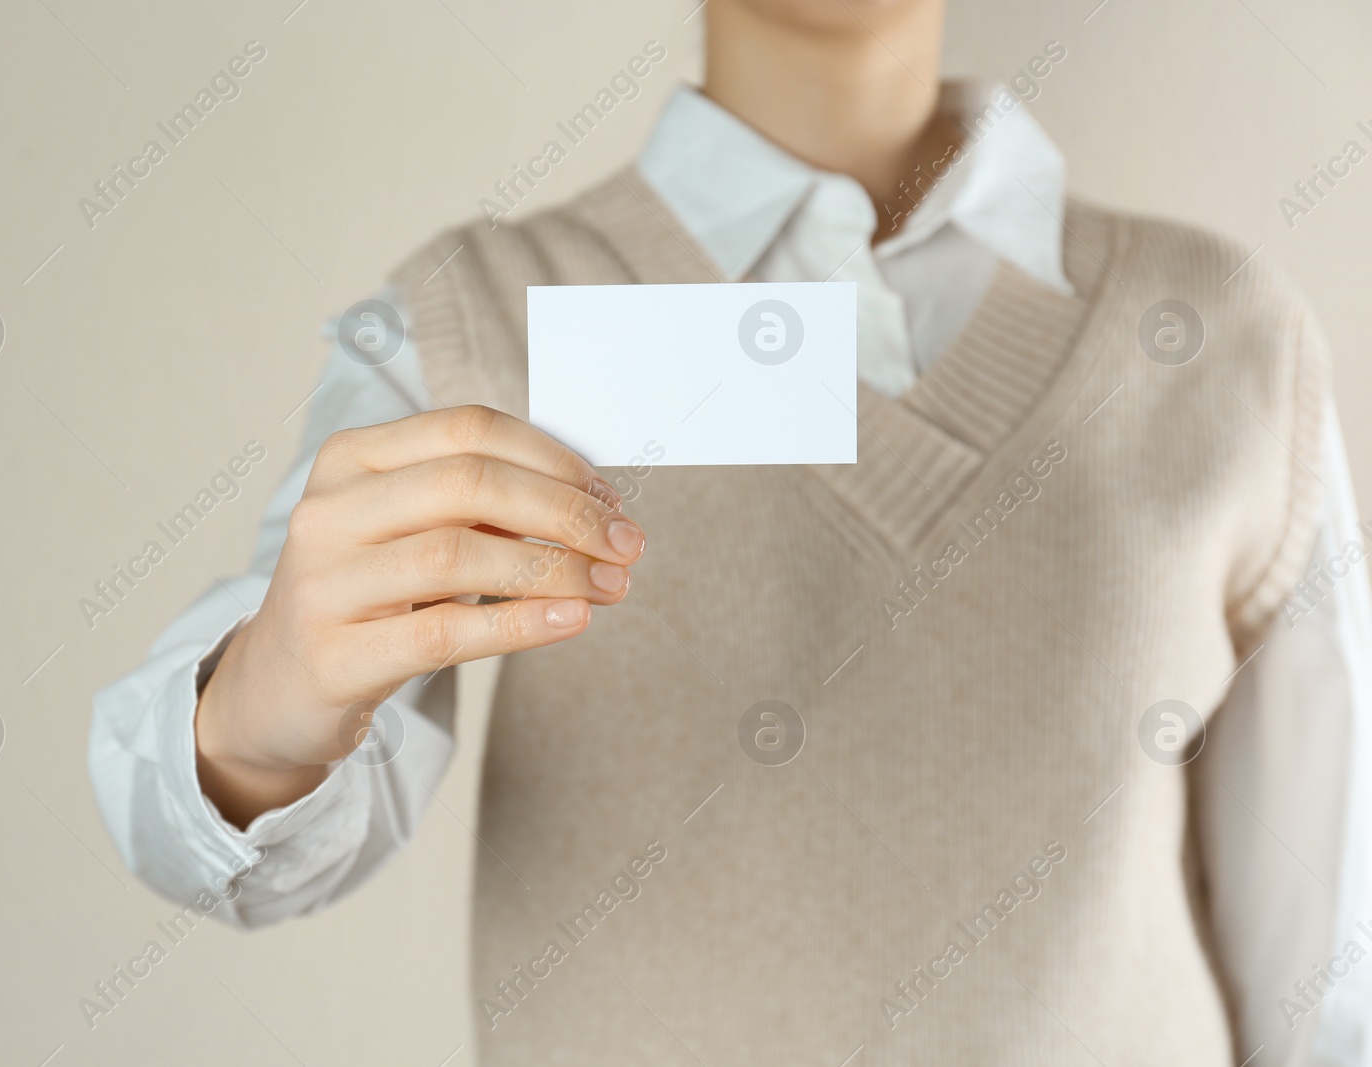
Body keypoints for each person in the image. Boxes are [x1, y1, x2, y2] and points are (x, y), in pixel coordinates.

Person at [90, 0, 1372, 1062]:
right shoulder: (475, 323)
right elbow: (250, 852)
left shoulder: (1222, 334)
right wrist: (258, 708)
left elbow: (1324, 965)